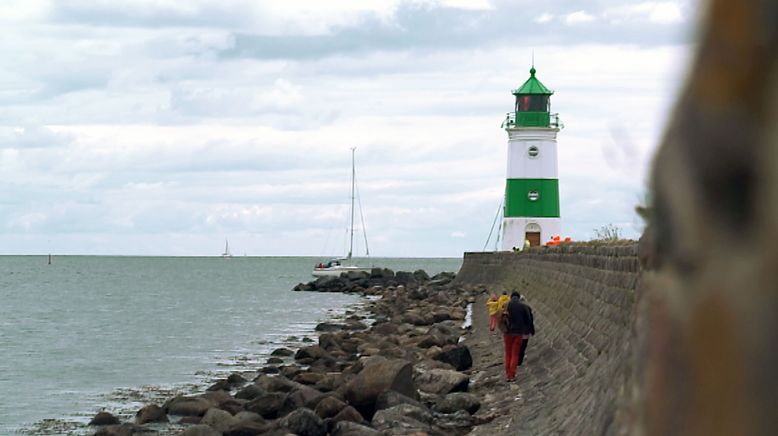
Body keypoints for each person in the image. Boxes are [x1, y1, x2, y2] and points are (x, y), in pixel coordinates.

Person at [502, 291, 535, 382]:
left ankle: (508, 375)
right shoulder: (523, 307)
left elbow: (500, 318)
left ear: (511, 297)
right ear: (519, 297)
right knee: (515, 354)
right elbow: (528, 320)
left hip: (507, 333)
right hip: (518, 333)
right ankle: (512, 375)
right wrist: (530, 330)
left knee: (508, 354)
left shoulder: (506, 305)